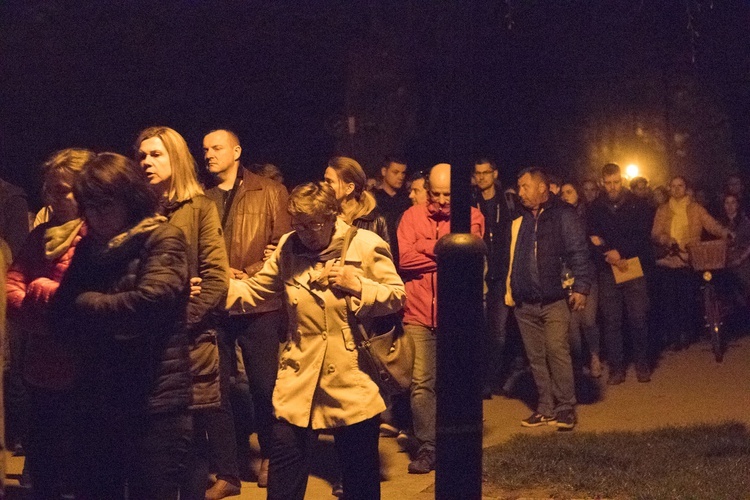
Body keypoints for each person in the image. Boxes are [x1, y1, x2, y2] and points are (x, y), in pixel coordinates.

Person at [226, 181, 406, 500]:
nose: (305, 233)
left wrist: (358, 285)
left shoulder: (364, 244)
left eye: (314, 225)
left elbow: (396, 296)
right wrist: (214, 288)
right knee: (283, 477)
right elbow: (255, 292)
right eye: (299, 224)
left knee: (360, 480)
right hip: (299, 378)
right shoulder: (288, 247)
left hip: (353, 380)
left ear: (333, 216)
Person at [50, 152, 192, 499]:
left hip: (154, 399)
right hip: (99, 396)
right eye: (90, 207)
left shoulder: (161, 237)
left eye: (106, 205)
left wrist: (89, 304)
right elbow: (59, 314)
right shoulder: (89, 249)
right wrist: (88, 311)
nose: (97, 216)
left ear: (130, 199)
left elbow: (151, 302)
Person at [135, 126, 238, 500]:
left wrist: (181, 319)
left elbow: (216, 279)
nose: (147, 162)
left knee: (191, 446)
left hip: (190, 346)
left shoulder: (199, 209)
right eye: (143, 155)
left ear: (176, 159)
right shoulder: (134, 212)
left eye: (156, 154)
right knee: (149, 450)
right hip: (142, 344)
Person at [203, 128, 290, 487]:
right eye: (205, 149)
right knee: (216, 389)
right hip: (218, 303)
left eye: (217, 148)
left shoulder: (269, 191)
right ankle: (229, 472)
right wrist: (223, 272)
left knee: (264, 385)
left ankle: (270, 456)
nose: (209, 154)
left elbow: (282, 244)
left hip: (259, 303)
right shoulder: (202, 198)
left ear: (236, 150)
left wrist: (248, 271)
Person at [5, 148, 94, 498]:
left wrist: (42, 294)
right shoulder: (40, 235)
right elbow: (12, 287)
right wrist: (43, 312)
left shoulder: (94, 236)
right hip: (41, 366)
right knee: (44, 465)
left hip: (83, 369)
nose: (54, 198)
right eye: (51, 189)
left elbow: (87, 300)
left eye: (63, 190)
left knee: (81, 466)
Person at [397, 163, 485, 473]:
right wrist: (442, 251)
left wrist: (422, 247)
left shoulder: (472, 216)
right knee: (421, 383)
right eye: (436, 194)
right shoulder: (411, 216)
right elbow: (404, 260)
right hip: (418, 313)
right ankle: (428, 446)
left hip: (454, 314)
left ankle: (456, 440)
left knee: (454, 381)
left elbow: (466, 258)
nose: (442, 200)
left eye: (448, 194)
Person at [507, 167, 593, 430]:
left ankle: (565, 406)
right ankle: (545, 406)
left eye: (525, 186)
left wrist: (581, 287)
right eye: (519, 187)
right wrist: (512, 289)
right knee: (536, 357)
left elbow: (579, 250)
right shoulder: (520, 218)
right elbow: (513, 255)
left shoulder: (563, 215)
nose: (520, 192)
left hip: (554, 297)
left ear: (542, 188)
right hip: (525, 300)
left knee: (557, 350)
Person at [587, 164, 655, 385]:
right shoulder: (596, 207)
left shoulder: (637, 204)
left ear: (622, 181)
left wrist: (620, 250)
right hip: (608, 268)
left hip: (631, 265)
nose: (613, 186)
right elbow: (591, 237)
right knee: (611, 320)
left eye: (616, 182)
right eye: (608, 183)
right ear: (602, 183)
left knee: (638, 317)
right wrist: (606, 253)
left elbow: (642, 235)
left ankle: (641, 363)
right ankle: (617, 367)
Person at [652, 175, 731, 350]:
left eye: (680, 185)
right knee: (670, 299)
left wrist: (725, 233)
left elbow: (711, 224)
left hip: (690, 258)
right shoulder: (663, 210)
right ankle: (675, 335)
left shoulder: (696, 209)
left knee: (686, 297)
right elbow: (655, 232)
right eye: (673, 186)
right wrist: (666, 239)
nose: (677, 189)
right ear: (669, 189)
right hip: (670, 258)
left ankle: (687, 332)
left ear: (686, 188)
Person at [471, 158, 514, 396]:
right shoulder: (470, 200)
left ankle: (492, 379)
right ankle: (478, 380)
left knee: (497, 331)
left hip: (500, 274)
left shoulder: (506, 201)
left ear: (494, 173)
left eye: (486, 173)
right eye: (478, 173)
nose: (482, 177)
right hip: (477, 274)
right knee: (478, 329)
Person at [559, 182, 603, 378]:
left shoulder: (590, 216)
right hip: (566, 274)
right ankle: (577, 362)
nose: (566, 196)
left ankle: (595, 357)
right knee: (572, 324)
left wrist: (598, 242)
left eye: (570, 192)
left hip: (587, 271)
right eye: (563, 193)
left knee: (588, 319)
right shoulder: (558, 217)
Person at [324, 156, 390, 243]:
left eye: (329, 181)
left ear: (349, 188)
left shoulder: (377, 221)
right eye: (324, 180)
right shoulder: (323, 217)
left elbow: (388, 255)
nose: (324, 185)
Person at [373, 157, 411, 266]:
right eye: (395, 172)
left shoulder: (407, 200)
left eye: (403, 173)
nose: (400, 177)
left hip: (402, 249)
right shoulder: (373, 199)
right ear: (384, 171)